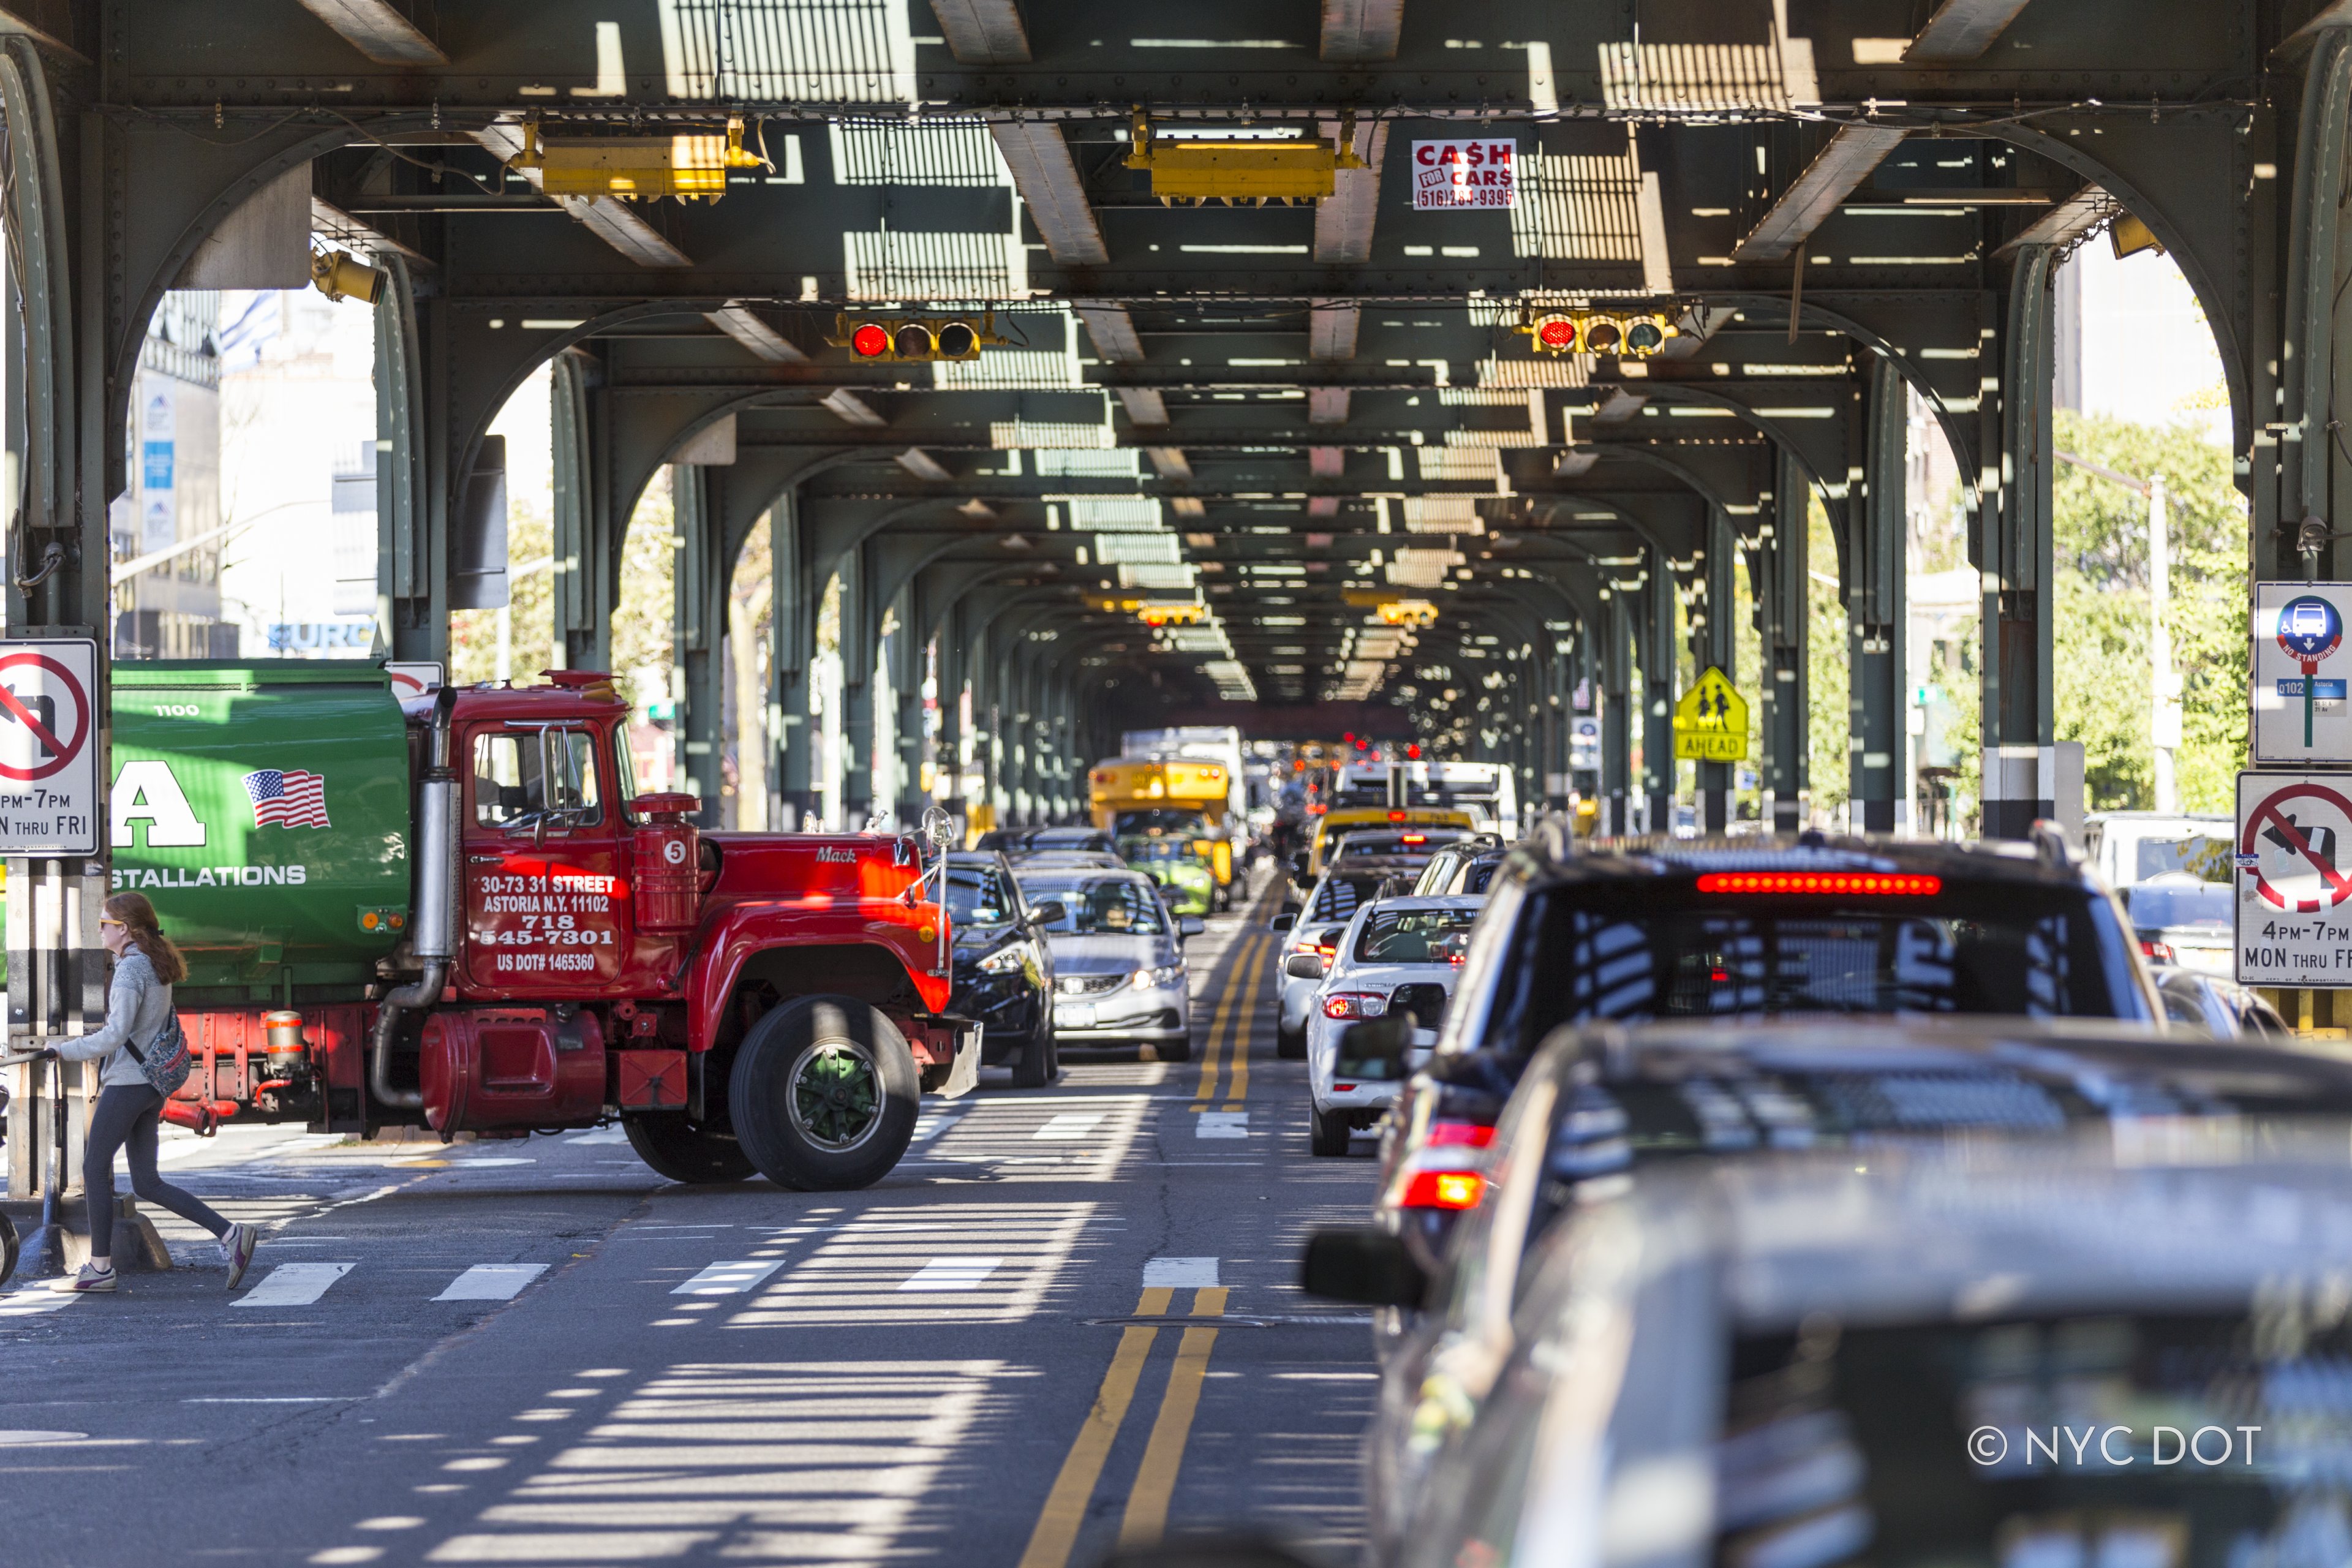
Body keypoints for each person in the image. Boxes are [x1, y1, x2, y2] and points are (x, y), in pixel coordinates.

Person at [46, 892, 255, 1293]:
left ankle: (100, 1268)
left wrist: (64, 1050)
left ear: (124, 929)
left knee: (93, 1168)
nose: (101, 929)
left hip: (128, 1082)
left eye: (105, 923)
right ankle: (231, 1236)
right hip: (150, 1082)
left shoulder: (129, 970)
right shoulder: (152, 962)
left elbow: (116, 1034)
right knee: (146, 1182)